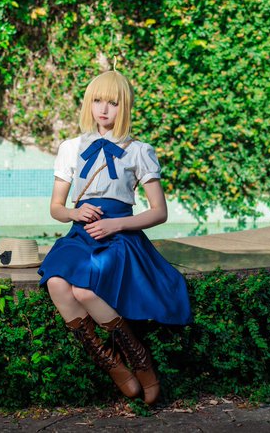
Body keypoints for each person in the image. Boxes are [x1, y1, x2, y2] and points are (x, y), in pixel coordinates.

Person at [38, 70, 192, 405]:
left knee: (84, 289)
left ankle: (140, 359)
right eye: (97, 101)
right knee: (56, 284)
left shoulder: (139, 150)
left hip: (120, 236)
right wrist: (75, 213)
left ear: (125, 106)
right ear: (88, 104)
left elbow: (159, 212)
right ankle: (112, 364)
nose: (104, 109)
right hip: (81, 234)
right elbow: (55, 208)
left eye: (113, 102)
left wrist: (116, 225)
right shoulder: (71, 148)